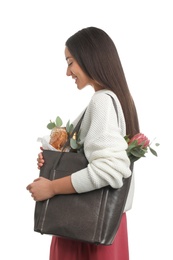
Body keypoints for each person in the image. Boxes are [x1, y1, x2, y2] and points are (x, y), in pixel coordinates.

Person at [26, 26, 140, 260]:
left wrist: (52, 187)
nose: (68, 72)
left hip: (83, 229)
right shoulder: (118, 99)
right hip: (100, 226)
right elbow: (94, 156)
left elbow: (110, 170)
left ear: (89, 58)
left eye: (70, 62)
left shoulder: (102, 102)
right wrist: (54, 159)